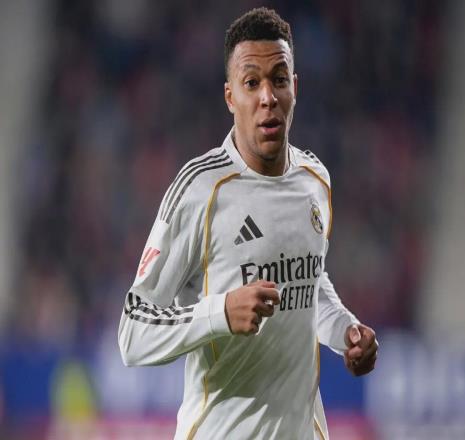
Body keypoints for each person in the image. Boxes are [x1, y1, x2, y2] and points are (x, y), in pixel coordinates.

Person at [118, 7, 378, 440]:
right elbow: (133, 331)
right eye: (251, 82)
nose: (267, 97)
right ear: (229, 97)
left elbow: (308, 282)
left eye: (279, 79)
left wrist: (345, 331)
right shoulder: (201, 188)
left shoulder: (315, 180)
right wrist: (219, 312)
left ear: (295, 88)